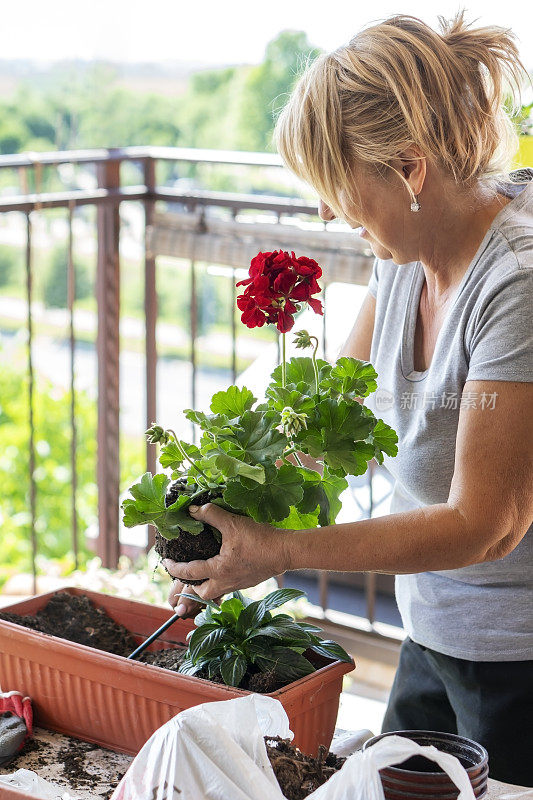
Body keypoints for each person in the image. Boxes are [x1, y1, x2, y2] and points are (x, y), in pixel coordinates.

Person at [164, 13, 533, 786]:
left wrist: (282, 552)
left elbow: (486, 525)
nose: (327, 213)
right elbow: (323, 426)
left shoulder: (517, 286)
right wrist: (218, 517)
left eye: (335, 186)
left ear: (409, 169)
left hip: (519, 657)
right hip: (434, 629)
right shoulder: (409, 254)